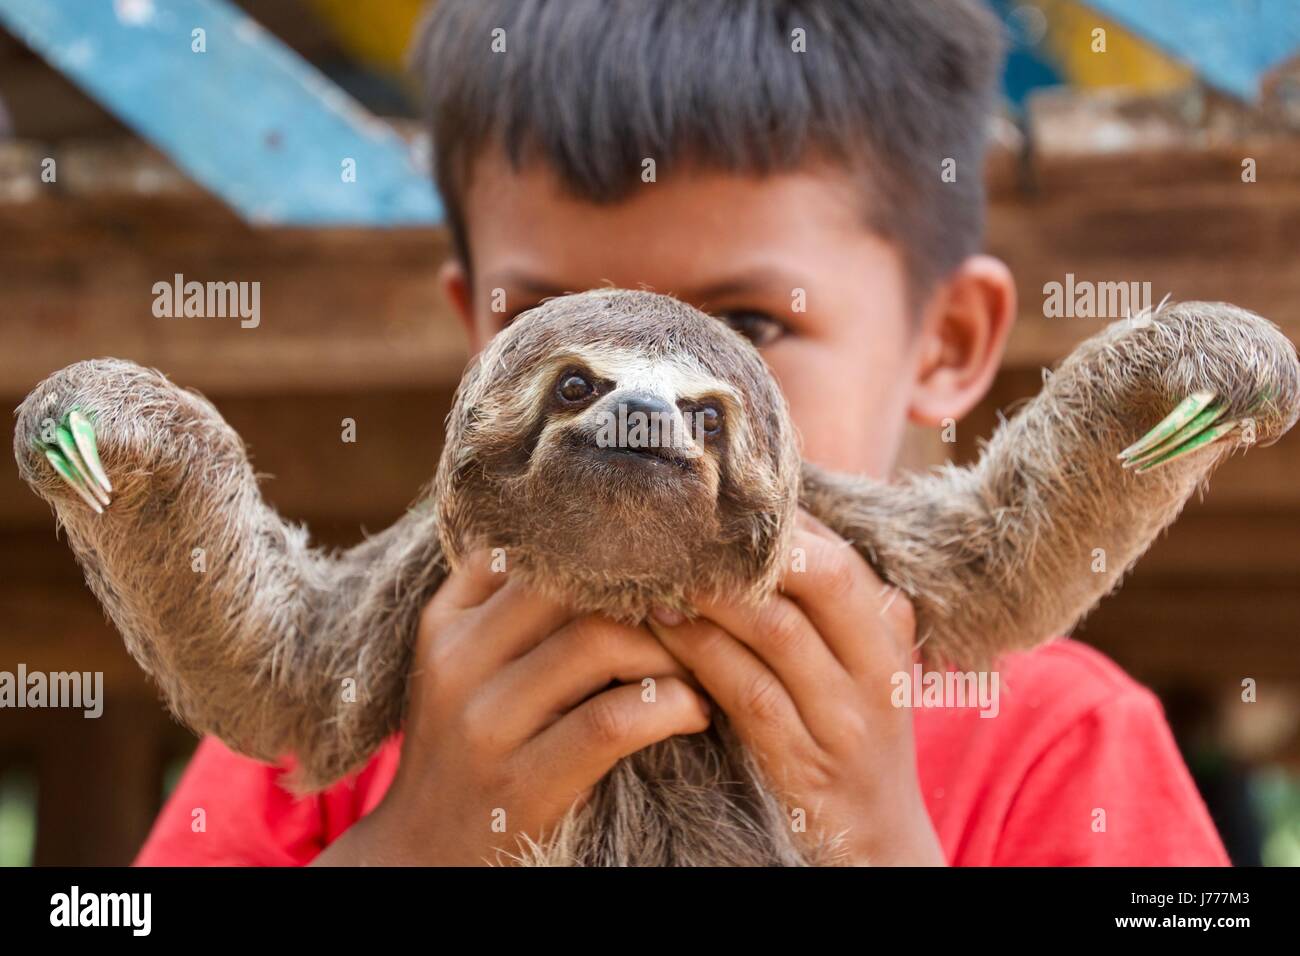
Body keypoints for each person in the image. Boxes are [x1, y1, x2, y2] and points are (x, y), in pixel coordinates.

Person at [136, 0, 1228, 866]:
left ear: (945, 342)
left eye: (748, 324)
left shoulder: (1060, 739)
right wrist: (421, 841)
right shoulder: (343, 727)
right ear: (480, 342)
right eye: (558, 351)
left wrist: (878, 842)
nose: (643, 415)